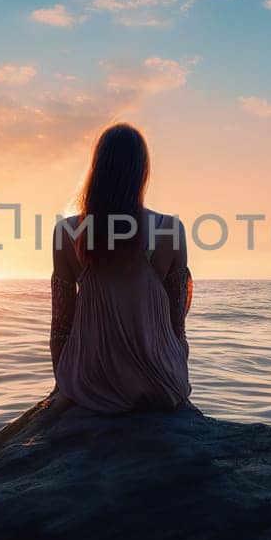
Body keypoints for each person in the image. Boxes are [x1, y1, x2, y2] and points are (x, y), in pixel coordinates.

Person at [49, 123, 192, 413]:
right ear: (142, 172)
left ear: (97, 169)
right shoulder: (169, 230)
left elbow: (60, 329)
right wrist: (177, 380)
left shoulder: (66, 232)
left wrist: (62, 386)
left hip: (89, 383)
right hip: (160, 384)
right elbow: (177, 327)